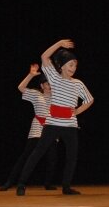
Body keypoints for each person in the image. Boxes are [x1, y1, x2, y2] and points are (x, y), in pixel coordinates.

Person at [16, 39, 94, 196]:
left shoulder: (78, 83)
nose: (74, 68)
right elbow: (44, 57)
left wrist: (77, 111)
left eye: (75, 65)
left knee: (72, 155)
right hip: (52, 123)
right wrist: (59, 44)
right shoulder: (54, 78)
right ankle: (21, 184)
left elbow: (90, 99)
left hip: (70, 125)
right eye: (71, 65)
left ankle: (66, 187)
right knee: (38, 152)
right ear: (62, 65)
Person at [0, 64, 59, 191]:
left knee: (52, 158)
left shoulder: (57, 98)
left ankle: (48, 183)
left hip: (51, 129)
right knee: (26, 156)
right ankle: (10, 182)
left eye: (51, 83)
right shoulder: (36, 94)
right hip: (37, 129)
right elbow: (20, 87)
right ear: (42, 85)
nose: (50, 86)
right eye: (47, 83)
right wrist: (31, 75)